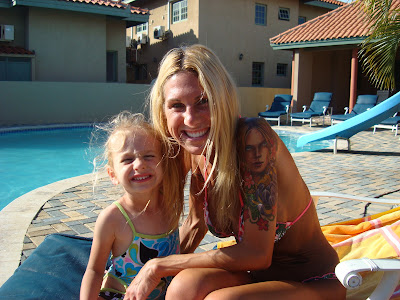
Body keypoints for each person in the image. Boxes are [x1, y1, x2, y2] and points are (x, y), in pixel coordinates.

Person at [124, 45, 346, 299]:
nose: (191, 119)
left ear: (222, 98)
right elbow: (195, 225)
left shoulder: (253, 140)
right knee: (182, 288)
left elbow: (257, 254)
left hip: (313, 280)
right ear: (163, 112)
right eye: (177, 105)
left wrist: (160, 266)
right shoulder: (195, 152)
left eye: (203, 101)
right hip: (256, 278)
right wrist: (140, 279)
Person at [80, 111, 184, 300]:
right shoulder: (113, 219)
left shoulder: (169, 203)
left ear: (163, 164)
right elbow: (95, 270)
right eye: (128, 159)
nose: (139, 165)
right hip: (120, 295)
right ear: (113, 175)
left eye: (149, 156)